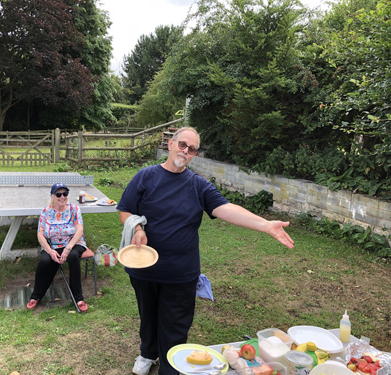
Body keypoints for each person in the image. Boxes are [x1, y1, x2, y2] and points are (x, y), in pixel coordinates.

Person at [117, 127, 294, 375]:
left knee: (175, 327)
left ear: (195, 155)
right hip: (143, 266)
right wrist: (136, 228)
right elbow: (125, 209)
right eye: (182, 145)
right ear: (170, 144)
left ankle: (170, 369)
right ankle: (148, 353)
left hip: (180, 272)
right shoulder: (145, 177)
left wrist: (265, 224)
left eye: (192, 149)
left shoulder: (198, 185)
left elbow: (227, 209)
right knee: (148, 316)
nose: (186, 151)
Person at [26, 182, 89, 312]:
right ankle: (36, 296)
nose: (62, 197)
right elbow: (40, 234)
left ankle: (78, 298)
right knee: (45, 261)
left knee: (72, 257)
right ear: (53, 196)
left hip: (74, 244)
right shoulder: (45, 211)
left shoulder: (74, 209)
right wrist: (50, 251)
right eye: (58, 194)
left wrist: (68, 248)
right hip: (53, 244)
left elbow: (79, 230)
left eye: (65, 194)